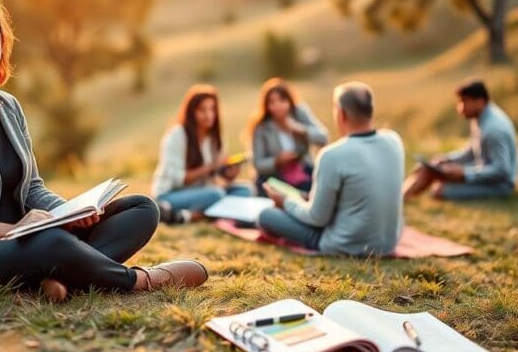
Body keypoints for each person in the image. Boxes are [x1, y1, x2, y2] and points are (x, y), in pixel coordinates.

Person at [0, 0, 208, 301]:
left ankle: (59, 277)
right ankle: (140, 280)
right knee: (51, 245)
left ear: (1, 40)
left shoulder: (8, 107)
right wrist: (11, 230)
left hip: (26, 240)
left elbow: (31, 188)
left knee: (142, 208)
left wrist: (70, 213)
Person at [260, 82, 404, 255]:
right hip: (387, 244)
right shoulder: (394, 141)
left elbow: (317, 218)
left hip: (345, 245)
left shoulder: (331, 155)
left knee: (266, 215)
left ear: (341, 114)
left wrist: (285, 202)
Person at [152, 84, 253, 223]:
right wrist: (211, 166)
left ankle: (190, 216)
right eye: (202, 110)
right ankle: (211, 213)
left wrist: (228, 174)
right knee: (215, 194)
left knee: (246, 190)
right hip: (171, 195)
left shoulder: (216, 137)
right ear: (191, 112)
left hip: (203, 192)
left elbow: (217, 175)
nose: (209, 115)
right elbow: (179, 179)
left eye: (212, 109)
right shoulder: (177, 135)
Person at [403, 79, 518, 201]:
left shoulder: (494, 129)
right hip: (483, 176)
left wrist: (465, 173)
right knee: (429, 169)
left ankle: (399, 200)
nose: (460, 108)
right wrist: (446, 159)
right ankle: (400, 197)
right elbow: (471, 152)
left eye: (464, 102)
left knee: (439, 189)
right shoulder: (480, 117)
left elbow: (502, 170)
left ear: (479, 101)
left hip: (499, 186)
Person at [248, 78, 329, 196]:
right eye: (272, 102)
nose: (278, 106)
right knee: (268, 188)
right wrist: (277, 161)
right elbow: (258, 164)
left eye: (282, 100)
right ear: (266, 105)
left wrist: (300, 129)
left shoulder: (299, 113)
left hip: (302, 172)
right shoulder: (262, 127)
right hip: (275, 175)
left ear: (290, 101)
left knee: (316, 187)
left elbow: (323, 138)